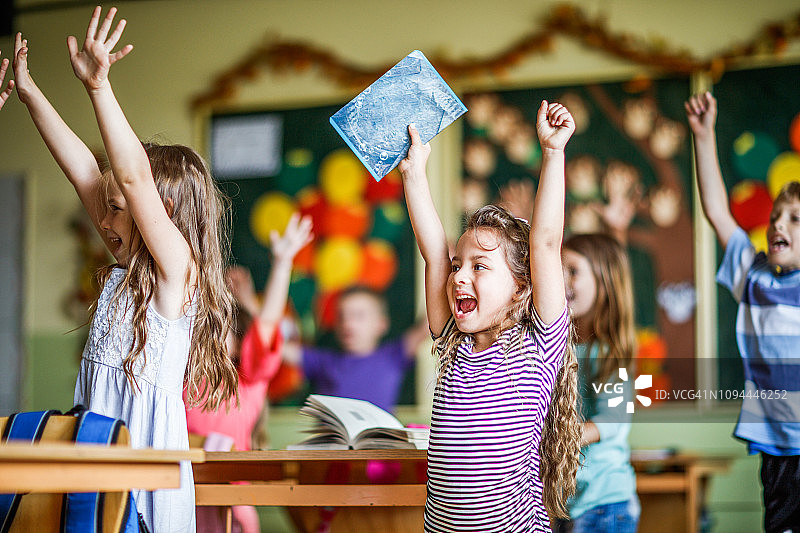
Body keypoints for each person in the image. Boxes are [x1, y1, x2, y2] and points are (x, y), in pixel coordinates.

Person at [13, 9, 238, 532]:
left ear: (163, 215)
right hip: (94, 461)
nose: (105, 218)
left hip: (145, 472)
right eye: (107, 205)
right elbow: (84, 172)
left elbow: (134, 181)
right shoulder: (126, 266)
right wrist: (29, 94)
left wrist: (98, 88)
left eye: (118, 207)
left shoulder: (175, 273)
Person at [398, 102, 581, 532]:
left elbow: (547, 243)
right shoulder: (452, 344)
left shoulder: (539, 347)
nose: (460, 276)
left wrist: (553, 153)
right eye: (459, 265)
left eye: (480, 266)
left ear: (521, 286)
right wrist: (413, 174)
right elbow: (433, 251)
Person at [687, 90, 800, 533]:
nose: (777, 225)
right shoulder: (754, 277)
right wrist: (703, 135)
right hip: (778, 450)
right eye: (776, 216)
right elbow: (718, 211)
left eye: (795, 219)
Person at [186, 213, 312, 533]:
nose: (210, 334)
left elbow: (267, 323)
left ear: (240, 340)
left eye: (221, 328)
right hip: (179, 497)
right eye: (202, 327)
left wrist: (283, 264)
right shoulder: (181, 378)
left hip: (231, 503)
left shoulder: (248, 378)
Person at [557, 233, 639, 533]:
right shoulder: (564, 348)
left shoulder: (606, 354)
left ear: (603, 283)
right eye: (559, 270)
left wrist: (562, 438)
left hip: (606, 505)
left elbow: (614, 420)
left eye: (573, 271)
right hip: (571, 504)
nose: (562, 279)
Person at [283, 286, 429, 413]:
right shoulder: (323, 361)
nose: (348, 323)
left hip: (379, 443)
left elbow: (428, 325)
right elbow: (276, 348)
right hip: (334, 444)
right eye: (341, 316)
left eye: (358, 316)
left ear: (381, 324)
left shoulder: (393, 356)